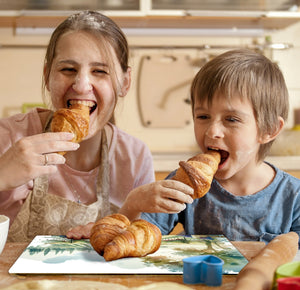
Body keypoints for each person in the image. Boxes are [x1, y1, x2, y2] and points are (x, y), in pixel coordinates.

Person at [69, 49, 300, 246]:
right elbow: (138, 237)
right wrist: (126, 212)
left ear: (269, 129)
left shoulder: (293, 197)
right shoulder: (184, 183)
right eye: (203, 116)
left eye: (231, 119)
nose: (212, 131)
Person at [0, 10, 155, 242]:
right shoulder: (9, 138)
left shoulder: (134, 157)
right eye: (68, 69)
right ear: (46, 76)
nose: (82, 86)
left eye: (100, 71)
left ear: (125, 82)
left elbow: (143, 244)